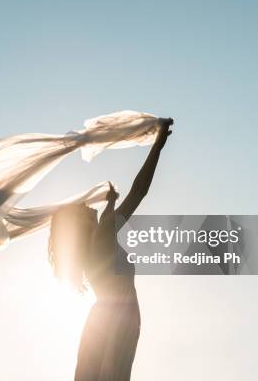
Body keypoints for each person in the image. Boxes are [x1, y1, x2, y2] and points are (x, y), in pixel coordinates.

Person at [48, 117, 173, 381]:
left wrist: (110, 205)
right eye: (82, 210)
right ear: (79, 226)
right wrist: (157, 147)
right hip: (116, 319)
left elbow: (110, 221)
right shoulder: (102, 235)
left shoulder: (93, 247)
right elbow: (139, 192)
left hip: (108, 318)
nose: (87, 205)